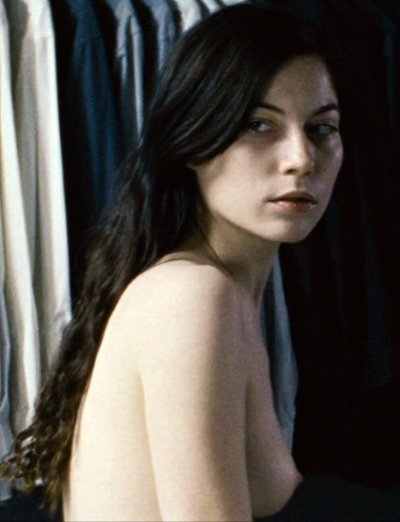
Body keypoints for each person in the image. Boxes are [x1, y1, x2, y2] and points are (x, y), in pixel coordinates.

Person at [0, 4, 348, 521]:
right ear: (193, 141)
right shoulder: (193, 296)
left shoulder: (216, 291)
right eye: (259, 124)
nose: (301, 158)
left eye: (321, 127)